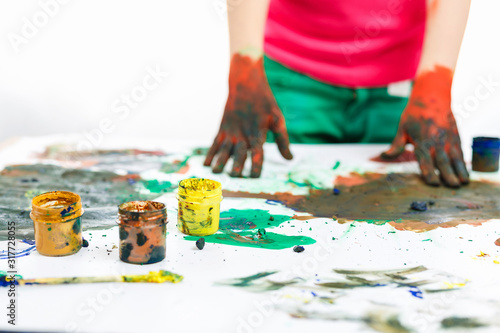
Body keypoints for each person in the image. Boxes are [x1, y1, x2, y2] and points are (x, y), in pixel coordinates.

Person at [204, 0, 471, 188]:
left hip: (406, 78)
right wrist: (244, 67)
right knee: (274, 193)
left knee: (401, 201)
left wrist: (435, 84)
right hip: (293, 69)